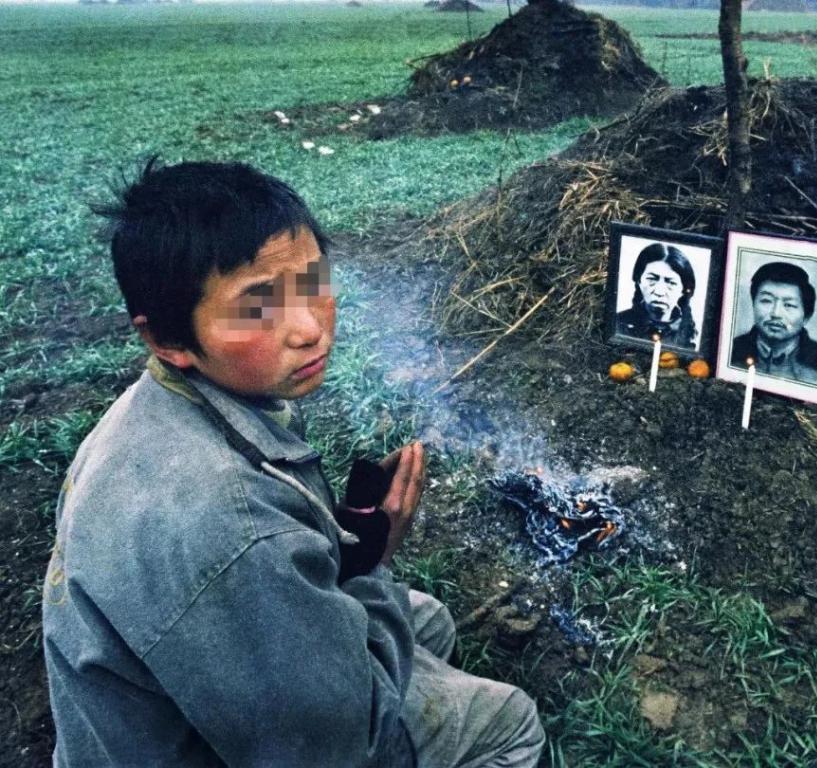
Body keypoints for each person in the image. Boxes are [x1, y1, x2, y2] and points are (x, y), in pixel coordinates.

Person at [41, 159, 545, 767]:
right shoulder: (233, 527)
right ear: (167, 340)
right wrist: (372, 562)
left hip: (176, 693)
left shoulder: (160, 405)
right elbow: (337, 749)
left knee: (429, 621)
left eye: (313, 282)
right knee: (510, 722)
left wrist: (345, 550)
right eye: (258, 306)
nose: (309, 328)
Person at [730, 261, 817, 385]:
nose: (776, 313)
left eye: (789, 305)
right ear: (753, 304)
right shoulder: (730, 351)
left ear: (806, 316)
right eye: (766, 300)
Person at [616, 242, 698, 349]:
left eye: (671, 283)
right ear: (639, 281)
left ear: (684, 289)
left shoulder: (691, 335)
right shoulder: (618, 323)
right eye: (652, 279)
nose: (659, 292)